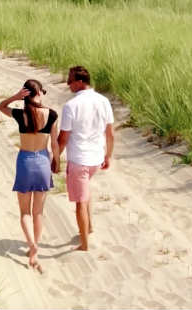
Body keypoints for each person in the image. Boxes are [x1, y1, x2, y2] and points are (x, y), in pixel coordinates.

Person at [0, 79, 60, 272]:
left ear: (25, 94)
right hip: (42, 161)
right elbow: (55, 144)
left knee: (25, 212)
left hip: (25, 161)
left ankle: (32, 245)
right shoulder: (52, 114)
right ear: (39, 93)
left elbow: (0, 106)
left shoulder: (19, 113)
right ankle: (35, 250)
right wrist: (57, 161)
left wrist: (16, 97)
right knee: (38, 212)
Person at [57, 65, 114, 252]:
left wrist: (55, 157)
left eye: (70, 80)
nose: (68, 83)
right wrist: (108, 156)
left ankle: (84, 244)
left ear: (80, 82)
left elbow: (63, 137)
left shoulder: (71, 106)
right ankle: (88, 227)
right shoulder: (104, 101)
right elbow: (110, 133)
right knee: (85, 191)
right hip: (96, 158)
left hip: (79, 160)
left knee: (80, 201)